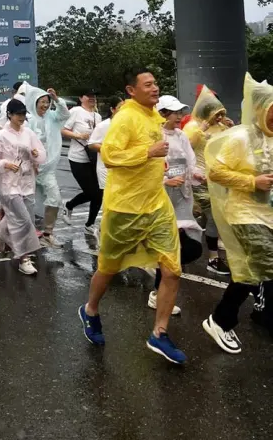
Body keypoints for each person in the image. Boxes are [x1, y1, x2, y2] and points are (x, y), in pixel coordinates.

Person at [79, 68, 186, 365]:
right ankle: (90, 310)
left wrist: (157, 165)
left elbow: (152, 156)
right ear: (131, 90)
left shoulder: (154, 117)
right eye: (148, 84)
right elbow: (110, 156)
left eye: (156, 84)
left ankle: (160, 333)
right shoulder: (126, 118)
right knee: (109, 268)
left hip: (156, 206)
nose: (155, 88)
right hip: (125, 208)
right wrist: (147, 152)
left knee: (173, 269)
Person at [202, 73, 273, 354]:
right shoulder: (241, 137)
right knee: (265, 264)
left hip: (267, 214)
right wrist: (251, 182)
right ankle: (222, 319)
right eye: (272, 113)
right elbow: (215, 171)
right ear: (260, 110)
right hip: (244, 213)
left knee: (251, 270)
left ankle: (223, 319)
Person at [153, 95, 205, 315]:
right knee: (173, 249)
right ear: (163, 113)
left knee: (188, 247)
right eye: (176, 113)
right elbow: (144, 171)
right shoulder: (153, 136)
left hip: (182, 197)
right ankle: (157, 292)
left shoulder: (182, 135)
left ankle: (158, 280)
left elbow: (190, 161)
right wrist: (165, 181)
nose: (180, 117)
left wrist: (198, 174)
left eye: (181, 112)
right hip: (160, 199)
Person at [0, 99, 46, 275]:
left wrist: (35, 155)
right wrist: (5, 164)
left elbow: (40, 153)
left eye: (23, 114)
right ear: (9, 115)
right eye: (18, 114)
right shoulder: (1, 136)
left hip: (26, 182)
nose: (21, 117)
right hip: (9, 184)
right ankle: (23, 258)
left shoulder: (29, 133)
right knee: (24, 221)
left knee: (25, 218)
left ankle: (2, 231)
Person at [183, 85, 233, 275]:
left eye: (221, 113)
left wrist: (231, 129)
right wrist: (200, 131)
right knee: (213, 217)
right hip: (199, 180)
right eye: (216, 114)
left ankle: (200, 245)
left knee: (214, 216)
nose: (219, 118)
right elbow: (183, 149)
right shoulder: (193, 126)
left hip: (218, 179)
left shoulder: (222, 126)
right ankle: (212, 258)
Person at [24, 85, 70, 247]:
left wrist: (57, 100)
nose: (45, 105)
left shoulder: (52, 117)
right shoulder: (27, 120)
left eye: (47, 102)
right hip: (28, 170)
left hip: (47, 170)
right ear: (34, 102)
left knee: (55, 198)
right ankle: (21, 234)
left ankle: (47, 233)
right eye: (42, 102)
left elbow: (65, 114)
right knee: (24, 203)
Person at [62, 88, 102, 233]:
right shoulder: (76, 111)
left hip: (94, 158)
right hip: (78, 158)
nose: (92, 98)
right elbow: (63, 130)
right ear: (81, 97)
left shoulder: (97, 116)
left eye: (94, 96)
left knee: (99, 193)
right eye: (89, 96)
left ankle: (90, 224)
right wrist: (79, 136)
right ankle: (69, 205)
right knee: (92, 192)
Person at [87, 96, 124, 204]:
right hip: (106, 168)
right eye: (119, 108)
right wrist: (108, 149)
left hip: (123, 167)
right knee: (110, 200)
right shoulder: (103, 126)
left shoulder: (127, 125)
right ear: (112, 109)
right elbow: (91, 144)